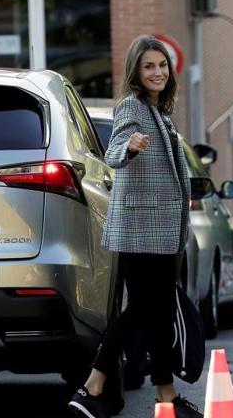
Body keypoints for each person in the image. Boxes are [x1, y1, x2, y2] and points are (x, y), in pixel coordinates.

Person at [68, 34, 201, 418]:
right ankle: (92, 384)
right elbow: (114, 150)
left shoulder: (160, 111)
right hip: (142, 231)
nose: (157, 72)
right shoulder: (133, 107)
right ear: (136, 72)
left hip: (159, 232)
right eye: (149, 66)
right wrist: (129, 147)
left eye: (162, 65)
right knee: (141, 311)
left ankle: (166, 397)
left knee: (154, 314)